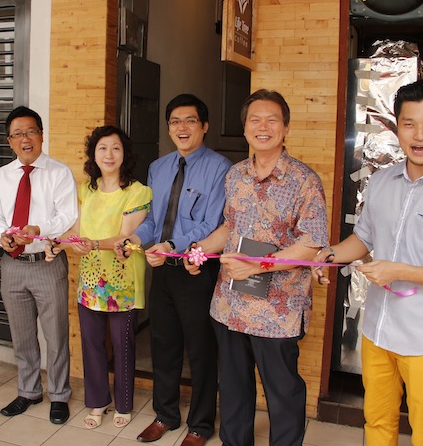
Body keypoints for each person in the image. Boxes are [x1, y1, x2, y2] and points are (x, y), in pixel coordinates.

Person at [312, 79, 423, 446]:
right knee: (377, 421)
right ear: (397, 127)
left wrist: (397, 270)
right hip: (377, 329)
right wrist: (329, 254)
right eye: (409, 124)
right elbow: (363, 239)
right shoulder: (381, 182)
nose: (420, 134)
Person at [188, 89, 328, 446]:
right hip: (230, 304)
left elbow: (310, 243)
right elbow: (228, 228)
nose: (262, 126)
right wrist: (199, 250)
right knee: (234, 390)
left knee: (282, 392)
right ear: (245, 127)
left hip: (278, 310)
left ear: (286, 128)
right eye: (255, 119)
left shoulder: (305, 181)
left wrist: (257, 266)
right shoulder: (235, 176)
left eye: (272, 119)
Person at [117, 94, 231, 446]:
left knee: (200, 349)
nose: (182, 128)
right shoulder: (159, 167)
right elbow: (154, 219)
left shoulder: (221, 169)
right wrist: (135, 237)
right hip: (161, 267)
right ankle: (165, 414)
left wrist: (172, 246)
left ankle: (200, 425)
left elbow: (212, 223)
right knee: (164, 345)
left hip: (197, 268)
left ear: (205, 126)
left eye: (190, 121)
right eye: (175, 122)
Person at [46, 126, 151, 429]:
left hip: (122, 280)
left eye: (116, 148)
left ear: (125, 154)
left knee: (123, 345)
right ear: (94, 153)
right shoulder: (85, 190)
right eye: (102, 148)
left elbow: (126, 235)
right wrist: (57, 243)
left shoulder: (138, 191)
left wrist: (92, 244)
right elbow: (75, 231)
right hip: (91, 280)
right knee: (91, 344)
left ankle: (125, 404)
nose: (109, 154)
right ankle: (97, 402)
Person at [0, 106, 78, 424]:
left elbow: (68, 215)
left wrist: (39, 229)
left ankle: (59, 395)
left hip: (46, 262)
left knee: (55, 335)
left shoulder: (59, 172)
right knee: (22, 334)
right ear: (9, 141)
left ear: (41, 134)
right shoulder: (2, 175)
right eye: (17, 134)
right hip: (12, 263)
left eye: (30, 132)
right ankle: (28, 391)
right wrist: (3, 236)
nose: (25, 139)